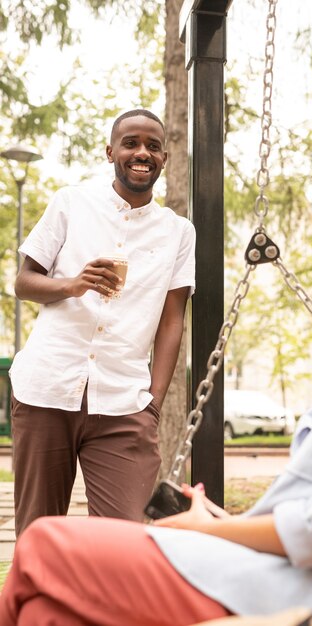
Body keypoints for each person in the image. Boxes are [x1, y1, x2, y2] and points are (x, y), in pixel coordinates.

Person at [1, 192, 312, 626]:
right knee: (45, 610)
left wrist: (207, 529)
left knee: (45, 544)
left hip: (286, 583)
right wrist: (216, 517)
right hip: (263, 563)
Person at [8, 108, 196, 537]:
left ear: (164, 157)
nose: (141, 152)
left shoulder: (178, 232)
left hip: (125, 402)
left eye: (152, 146)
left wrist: (153, 403)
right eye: (131, 143)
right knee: (39, 535)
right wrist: (73, 285)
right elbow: (24, 282)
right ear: (111, 151)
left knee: (125, 539)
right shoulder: (72, 203)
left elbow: (172, 322)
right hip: (47, 389)